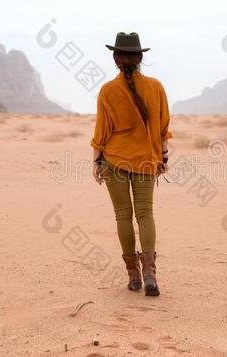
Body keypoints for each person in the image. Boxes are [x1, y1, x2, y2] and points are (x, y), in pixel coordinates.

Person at [90, 32, 172, 296]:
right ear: (140, 58)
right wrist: (163, 157)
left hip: (114, 159)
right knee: (145, 214)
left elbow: (102, 131)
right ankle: (150, 273)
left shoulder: (108, 91)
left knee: (122, 216)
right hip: (146, 160)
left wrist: (96, 160)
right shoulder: (156, 87)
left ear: (116, 59)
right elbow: (163, 127)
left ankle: (133, 276)